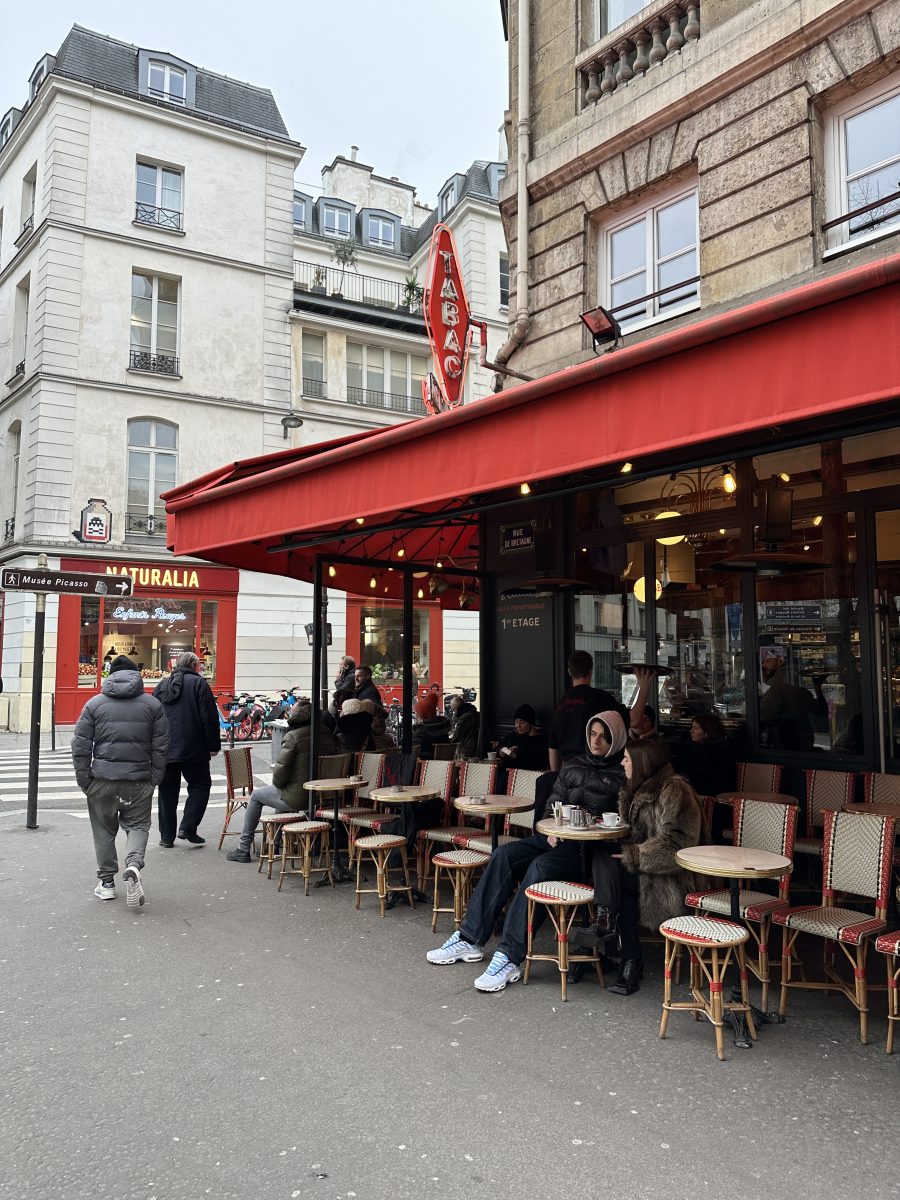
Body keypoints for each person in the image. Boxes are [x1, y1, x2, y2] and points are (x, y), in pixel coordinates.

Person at [426, 711, 627, 993]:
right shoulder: (573, 765)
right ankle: (469, 938)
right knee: (503, 856)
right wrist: (550, 828)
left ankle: (509, 956)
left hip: (588, 849)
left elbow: (626, 819)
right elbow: (551, 804)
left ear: (616, 739)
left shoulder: (622, 773)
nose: (596, 741)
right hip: (557, 838)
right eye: (593, 734)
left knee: (540, 869)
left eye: (604, 736)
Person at [586, 738, 705, 995]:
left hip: (671, 874)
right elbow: (635, 832)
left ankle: (630, 960)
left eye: (627, 758)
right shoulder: (635, 788)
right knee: (601, 856)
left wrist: (637, 856)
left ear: (642, 762)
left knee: (626, 887)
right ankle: (602, 927)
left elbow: (677, 844)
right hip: (642, 861)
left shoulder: (675, 790)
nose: (622, 763)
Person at [71, 654, 169, 906]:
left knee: (103, 832)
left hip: (103, 779)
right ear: (136, 675)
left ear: (109, 676)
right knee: (138, 826)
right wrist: (155, 778)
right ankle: (134, 865)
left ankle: (106, 884)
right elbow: (161, 746)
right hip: (138, 780)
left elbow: (80, 746)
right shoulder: (152, 706)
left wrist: (84, 780)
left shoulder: (94, 704)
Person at [226, 701, 340, 862]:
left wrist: (282, 784)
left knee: (257, 796)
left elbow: (279, 776)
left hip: (299, 797)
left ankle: (243, 848)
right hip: (324, 797)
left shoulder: (293, 737)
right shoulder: (328, 735)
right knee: (281, 793)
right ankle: (275, 843)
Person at [152, 651, 221, 847]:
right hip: (194, 748)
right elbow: (209, 718)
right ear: (193, 665)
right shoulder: (199, 684)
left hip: (165, 749)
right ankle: (188, 827)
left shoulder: (161, 686)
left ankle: (166, 837)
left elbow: (152, 717)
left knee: (166, 792)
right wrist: (213, 745)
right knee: (200, 785)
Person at [759, 650, 826, 751]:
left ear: (780, 660)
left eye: (767, 661)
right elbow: (821, 710)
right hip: (804, 742)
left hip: (786, 744)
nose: (764, 664)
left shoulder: (775, 683)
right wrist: (818, 686)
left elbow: (764, 715)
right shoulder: (796, 681)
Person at [685, 713, 735, 841]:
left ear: (707, 732)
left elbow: (700, 779)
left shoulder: (712, 752)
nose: (691, 731)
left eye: (695, 728)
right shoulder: (707, 748)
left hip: (715, 806)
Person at [496, 704, 549, 771]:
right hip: (506, 774)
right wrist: (505, 751)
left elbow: (540, 763)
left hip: (526, 776)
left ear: (531, 723)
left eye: (522, 722)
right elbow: (497, 749)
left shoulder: (541, 740)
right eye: (516, 722)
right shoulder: (511, 736)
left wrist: (518, 753)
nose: (518, 725)